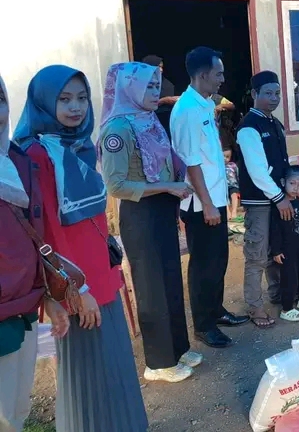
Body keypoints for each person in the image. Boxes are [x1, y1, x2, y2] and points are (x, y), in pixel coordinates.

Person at [15, 65, 148, 431]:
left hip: (101, 276)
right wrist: (76, 290)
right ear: (43, 102)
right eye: (64, 99)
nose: (75, 107)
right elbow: (46, 233)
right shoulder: (38, 154)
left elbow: (95, 220)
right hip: (77, 285)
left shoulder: (80, 146)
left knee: (114, 363)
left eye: (82, 98)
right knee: (88, 373)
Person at [98, 62, 201, 383]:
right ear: (129, 89)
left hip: (162, 208)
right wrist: (168, 186)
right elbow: (116, 185)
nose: (156, 92)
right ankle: (158, 363)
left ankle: (178, 348)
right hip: (140, 213)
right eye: (148, 86)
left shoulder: (148, 119)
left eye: (157, 86)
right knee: (151, 286)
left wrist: (174, 184)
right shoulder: (117, 129)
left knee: (170, 280)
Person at [0, 74, 69, 432]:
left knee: (16, 413)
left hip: (23, 307)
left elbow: (35, 237)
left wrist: (48, 296)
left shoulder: (18, 160)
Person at [171, 47, 249, 349]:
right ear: (203, 75)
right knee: (204, 264)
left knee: (218, 260)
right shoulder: (187, 110)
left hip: (214, 197)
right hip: (200, 202)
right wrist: (206, 204)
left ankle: (216, 311)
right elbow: (191, 163)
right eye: (219, 74)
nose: (222, 79)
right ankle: (204, 325)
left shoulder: (204, 104)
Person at [236, 71, 288, 328]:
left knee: (276, 249)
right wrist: (279, 198)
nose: (274, 98)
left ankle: (277, 294)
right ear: (255, 94)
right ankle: (255, 307)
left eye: (277, 93)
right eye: (268, 93)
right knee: (257, 254)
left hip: (279, 199)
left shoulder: (274, 123)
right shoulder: (249, 126)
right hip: (260, 202)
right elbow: (257, 171)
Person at [270, 165, 299, 323]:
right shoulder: (279, 204)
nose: (296, 188)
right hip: (286, 249)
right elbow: (275, 228)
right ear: (283, 182)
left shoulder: (297, 201)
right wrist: (276, 250)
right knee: (289, 277)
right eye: (292, 183)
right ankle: (287, 308)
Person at [143, 55, 177, 140]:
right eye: (158, 67)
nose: (161, 70)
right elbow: (142, 106)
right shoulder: (141, 85)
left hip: (167, 123)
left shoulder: (165, 83)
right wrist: (163, 101)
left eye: (161, 67)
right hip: (149, 125)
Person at [224, 147, 241, 221]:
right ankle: (227, 212)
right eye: (223, 156)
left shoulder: (232, 165)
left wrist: (239, 183)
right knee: (224, 198)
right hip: (223, 186)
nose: (225, 158)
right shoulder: (218, 166)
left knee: (234, 195)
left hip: (233, 185)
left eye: (227, 157)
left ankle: (234, 211)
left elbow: (237, 174)